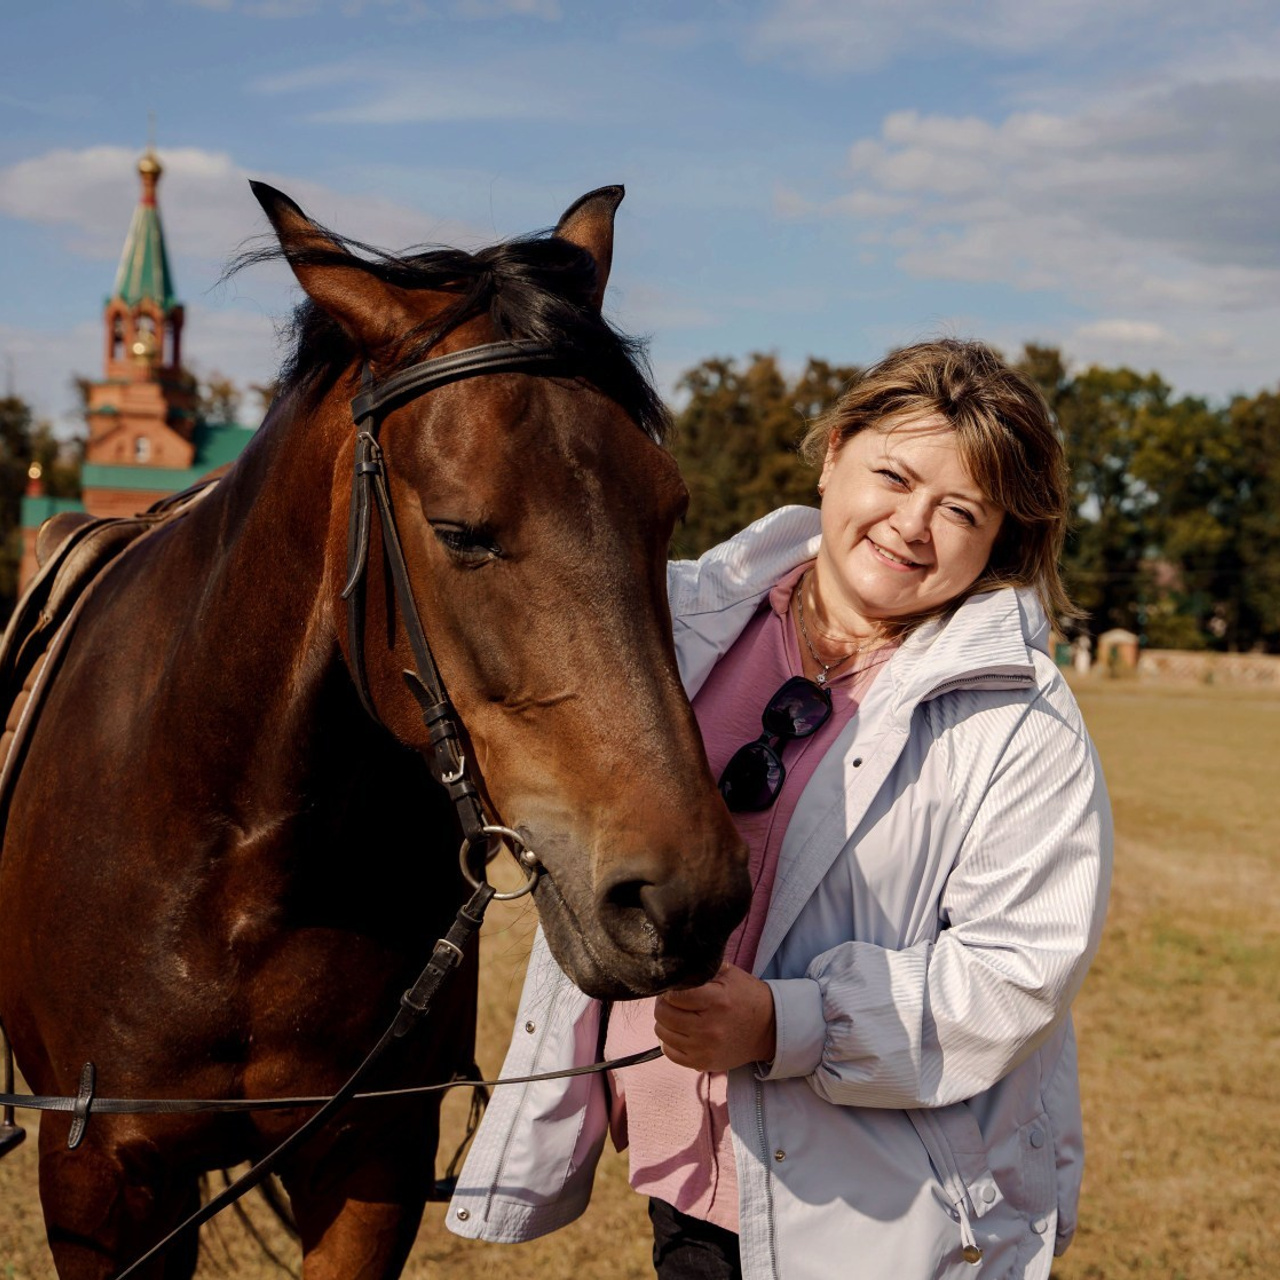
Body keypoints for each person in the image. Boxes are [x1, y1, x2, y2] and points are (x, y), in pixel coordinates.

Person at [447, 339, 1112, 1280]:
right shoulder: (667, 625)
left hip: (885, 1216)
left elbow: (1018, 973)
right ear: (835, 451)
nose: (912, 525)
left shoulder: (1019, 717)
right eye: (893, 474)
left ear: (1002, 536)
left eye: (960, 510)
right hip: (688, 1182)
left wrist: (783, 1025)